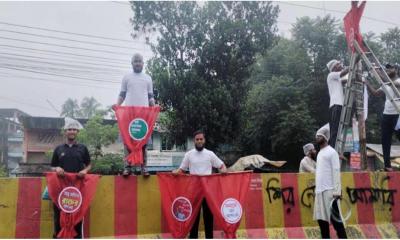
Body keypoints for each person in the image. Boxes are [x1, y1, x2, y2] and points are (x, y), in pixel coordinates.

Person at [172, 130, 227, 239]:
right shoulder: (189, 154)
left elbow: (221, 166)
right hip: (194, 191)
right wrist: (175, 172)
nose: (199, 141)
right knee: (193, 217)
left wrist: (224, 170)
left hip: (208, 191)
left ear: (204, 140)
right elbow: (182, 170)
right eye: (197, 139)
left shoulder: (210, 154)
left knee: (208, 217)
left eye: (201, 139)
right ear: (194, 141)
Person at [113, 53, 155, 176]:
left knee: (144, 142)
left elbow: (150, 96)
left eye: (139, 61)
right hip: (129, 114)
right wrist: (117, 105)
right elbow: (122, 94)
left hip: (144, 115)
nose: (137, 63)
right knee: (127, 141)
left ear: (143, 63)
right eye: (135, 61)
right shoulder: (126, 77)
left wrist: (154, 107)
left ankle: (144, 168)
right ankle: (127, 167)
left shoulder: (148, 78)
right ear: (132, 63)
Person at [51, 118, 91, 239]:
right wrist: (57, 168)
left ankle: (77, 237)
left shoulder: (83, 148)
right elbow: (52, 166)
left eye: (74, 129)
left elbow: (89, 164)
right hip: (61, 189)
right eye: (69, 129)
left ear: (77, 132)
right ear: (65, 131)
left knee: (77, 215)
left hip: (77, 189)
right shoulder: (59, 149)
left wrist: (85, 170)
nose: (72, 131)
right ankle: (59, 236)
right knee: (59, 215)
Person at [313, 124, 347, 239]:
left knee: (337, 222)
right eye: (316, 136)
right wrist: (316, 190)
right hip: (319, 192)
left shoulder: (332, 152)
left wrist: (337, 191)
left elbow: (336, 171)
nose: (317, 137)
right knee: (322, 223)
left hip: (330, 192)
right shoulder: (319, 154)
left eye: (320, 135)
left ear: (325, 137)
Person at [365, 63, 400, 171]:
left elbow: (391, 83)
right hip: (387, 114)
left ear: (397, 69)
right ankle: (387, 166)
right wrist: (366, 83)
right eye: (387, 69)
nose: (388, 70)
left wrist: (378, 71)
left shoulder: (398, 81)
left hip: (398, 114)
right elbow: (376, 93)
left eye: (391, 68)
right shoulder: (386, 83)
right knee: (385, 140)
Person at [326, 59, 349, 148]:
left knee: (338, 130)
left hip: (338, 105)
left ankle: (335, 148)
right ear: (334, 67)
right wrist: (352, 65)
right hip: (336, 105)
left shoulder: (337, 79)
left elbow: (345, 79)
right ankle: (333, 149)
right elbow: (344, 72)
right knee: (335, 130)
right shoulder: (331, 75)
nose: (341, 65)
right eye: (339, 64)